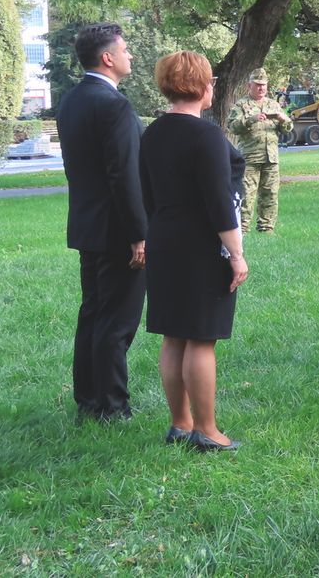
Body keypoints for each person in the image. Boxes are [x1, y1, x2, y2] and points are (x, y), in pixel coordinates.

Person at [140, 52, 248, 450]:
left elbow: (147, 194)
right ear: (203, 87)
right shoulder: (207, 136)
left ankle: (180, 424)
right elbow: (220, 202)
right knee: (201, 338)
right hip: (202, 245)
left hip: (164, 239)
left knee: (174, 336)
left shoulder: (152, 133)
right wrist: (236, 254)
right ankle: (207, 430)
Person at [56, 23, 148, 423]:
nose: (131, 56)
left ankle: (89, 399)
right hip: (115, 231)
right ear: (107, 58)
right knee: (117, 320)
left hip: (86, 225)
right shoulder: (115, 105)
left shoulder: (71, 101)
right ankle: (112, 406)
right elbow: (124, 176)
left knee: (93, 312)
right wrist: (138, 234)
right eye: (125, 50)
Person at [227, 68, 291, 235]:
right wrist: (250, 120)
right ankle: (243, 230)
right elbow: (232, 126)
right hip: (250, 158)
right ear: (250, 85)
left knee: (270, 194)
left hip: (271, 158)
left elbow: (287, 128)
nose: (261, 88)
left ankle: (267, 229)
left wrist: (284, 120)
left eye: (263, 85)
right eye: (257, 85)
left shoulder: (274, 104)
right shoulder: (241, 105)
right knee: (246, 196)